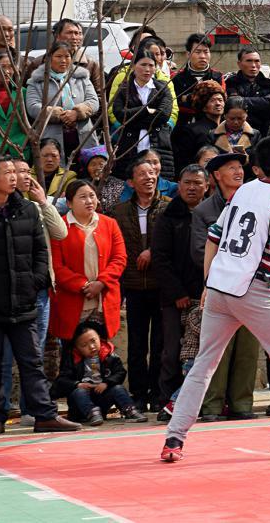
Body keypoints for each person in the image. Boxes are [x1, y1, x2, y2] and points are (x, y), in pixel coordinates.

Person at [160, 134, 270, 462]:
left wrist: (209, 282)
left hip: (222, 285)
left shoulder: (244, 191)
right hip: (251, 288)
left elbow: (213, 236)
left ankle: (174, 438)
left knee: (204, 364)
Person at [0, 156, 81, 435]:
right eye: (7, 173)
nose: (14, 177)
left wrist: (35, 281)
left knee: (32, 360)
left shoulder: (27, 209)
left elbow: (42, 250)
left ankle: (44, 414)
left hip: (25, 300)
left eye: (15, 173)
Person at [190, 151, 259, 421]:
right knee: (217, 347)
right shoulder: (205, 210)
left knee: (247, 349)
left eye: (240, 167)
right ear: (217, 176)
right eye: (231, 168)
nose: (238, 172)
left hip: (251, 285)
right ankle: (211, 406)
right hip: (220, 285)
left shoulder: (255, 202)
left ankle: (242, 404)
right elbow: (199, 251)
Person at [111, 158, 169, 412]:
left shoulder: (169, 206)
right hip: (133, 285)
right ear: (130, 182)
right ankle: (138, 393)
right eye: (142, 174)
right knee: (136, 345)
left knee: (160, 344)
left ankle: (157, 393)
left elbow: (173, 242)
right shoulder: (119, 211)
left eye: (152, 173)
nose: (149, 177)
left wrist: (152, 252)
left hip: (161, 285)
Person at [150, 165, 209, 407]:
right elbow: (160, 258)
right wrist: (177, 292)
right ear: (179, 184)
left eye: (197, 183)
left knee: (204, 352)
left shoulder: (214, 214)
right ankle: (167, 400)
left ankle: (201, 402)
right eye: (187, 182)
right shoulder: (167, 217)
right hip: (175, 298)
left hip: (207, 295)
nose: (192, 187)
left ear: (207, 186)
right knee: (172, 351)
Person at [50, 179, 128, 346]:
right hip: (72, 300)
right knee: (71, 353)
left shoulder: (109, 224)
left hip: (103, 299)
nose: (89, 201)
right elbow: (56, 266)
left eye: (92, 196)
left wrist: (101, 282)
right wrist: (83, 285)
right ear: (69, 203)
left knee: (102, 351)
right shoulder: (59, 227)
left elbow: (119, 258)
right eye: (83, 197)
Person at [52, 319, 147, 425]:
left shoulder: (109, 356)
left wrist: (107, 383)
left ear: (100, 339)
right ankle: (92, 414)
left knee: (118, 389)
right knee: (79, 392)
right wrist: (78, 384)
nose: (91, 347)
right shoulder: (72, 359)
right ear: (77, 348)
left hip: (102, 396)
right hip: (81, 403)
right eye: (84, 345)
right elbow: (61, 380)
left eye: (93, 341)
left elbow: (120, 372)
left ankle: (130, 410)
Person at [25, 41, 100, 161]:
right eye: (59, 56)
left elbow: (94, 101)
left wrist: (77, 113)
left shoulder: (81, 77)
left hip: (83, 135)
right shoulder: (37, 81)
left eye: (67, 56)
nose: (63, 60)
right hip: (51, 137)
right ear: (49, 59)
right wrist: (57, 114)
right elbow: (32, 107)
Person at [110, 53, 176, 179]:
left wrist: (133, 119)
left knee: (159, 186)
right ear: (134, 66)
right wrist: (146, 110)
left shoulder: (162, 88)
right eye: (143, 65)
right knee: (128, 185)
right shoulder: (124, 89)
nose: (147, 69)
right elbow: (120, 115)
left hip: (158, 144)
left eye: (151, 65)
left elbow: (163, 115)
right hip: (129, 147)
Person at [224, 47, 270, 134]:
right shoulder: (230, 83)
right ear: (239, 64)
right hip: (238, 132)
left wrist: (242, 100)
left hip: (267, 132)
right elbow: (232, 105)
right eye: (249, 61)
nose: (253, 65)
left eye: (257, 61)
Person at [172, 80, 226, 172]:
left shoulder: (228, 128)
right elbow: (183, 162)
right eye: (212, 100)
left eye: (220, 100)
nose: (218, 103)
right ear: (204, 107)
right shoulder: (191, 131)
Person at [171, 34, 223, 123]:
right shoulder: (177, 78)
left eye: (206, 52)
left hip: (212, 125)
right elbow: (176, 104)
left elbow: (220, 101)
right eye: (198, 52)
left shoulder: (217, 76)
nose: (202, 56)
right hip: (184, 126)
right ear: (188, 54)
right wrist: (207, 96)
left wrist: (187, 98)